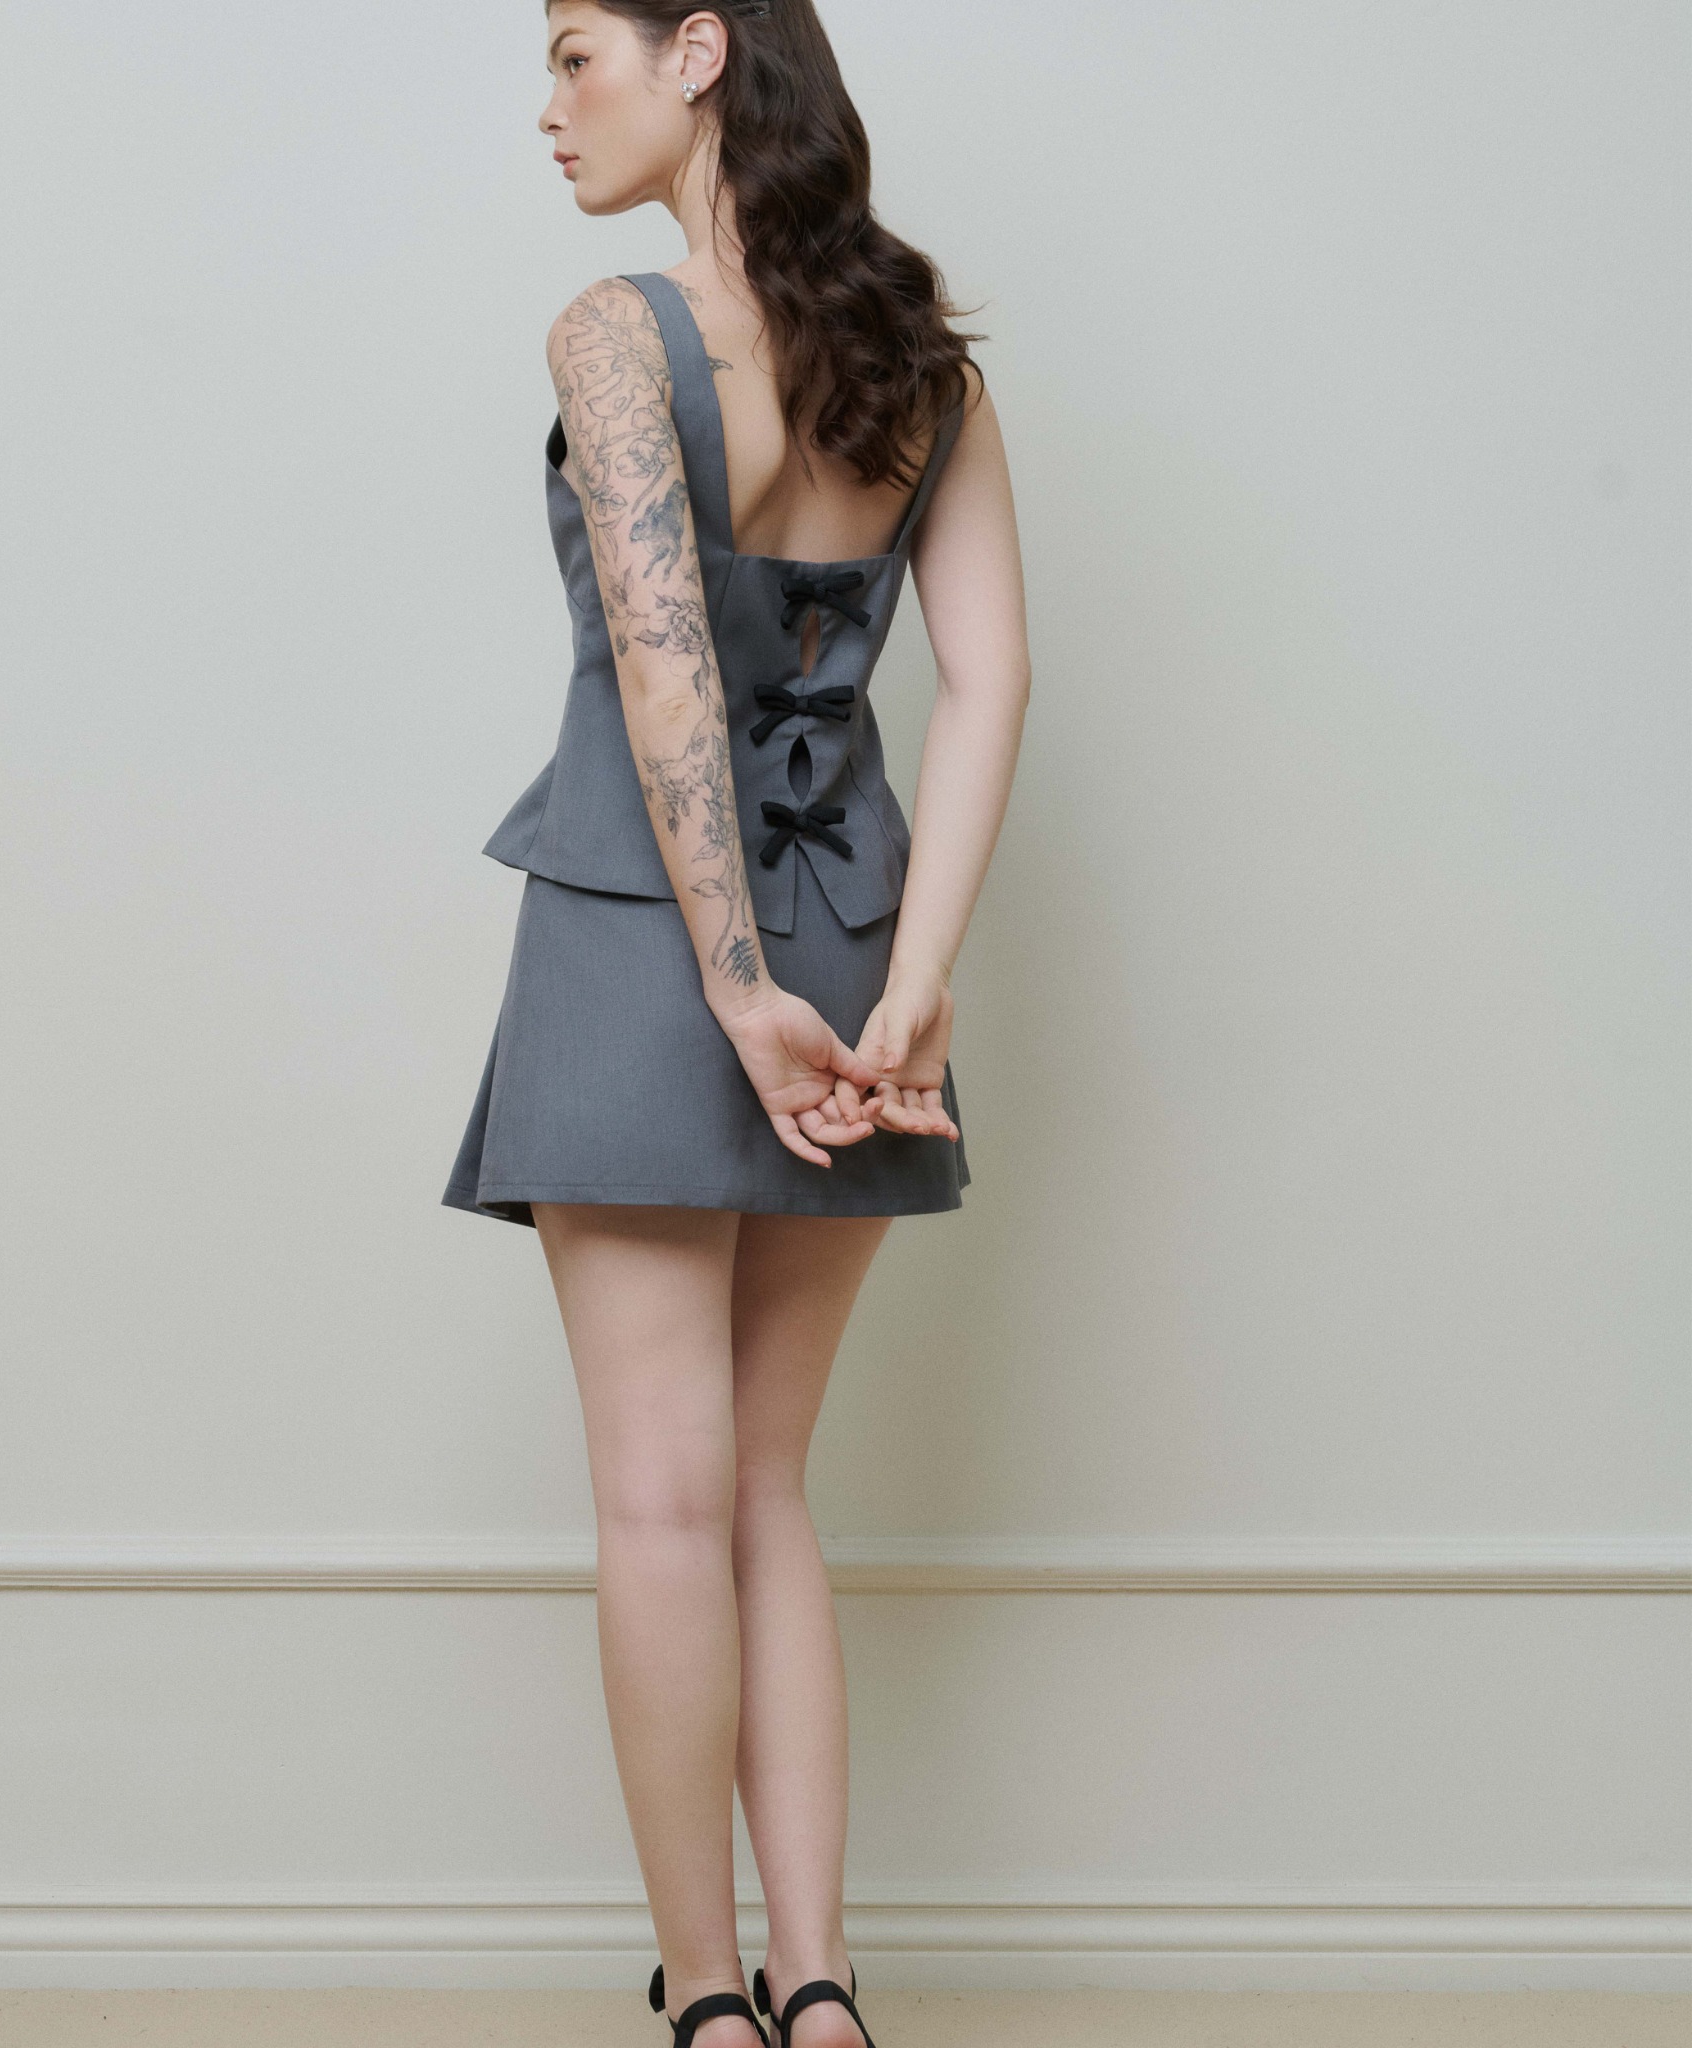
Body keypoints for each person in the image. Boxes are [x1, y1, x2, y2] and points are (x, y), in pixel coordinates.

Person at [443, 5, 1030, 2043]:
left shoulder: (619, 334)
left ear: (697, 51)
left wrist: (723, 983)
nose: (548, 106)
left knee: (663, 1502)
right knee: (769, 1491)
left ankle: (706, 1997)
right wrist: (914, 973)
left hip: (640, 938)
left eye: (574, 55)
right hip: (853, 939)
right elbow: (988, 680)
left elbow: (664, 657)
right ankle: (822, 1984)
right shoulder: (916, 357)